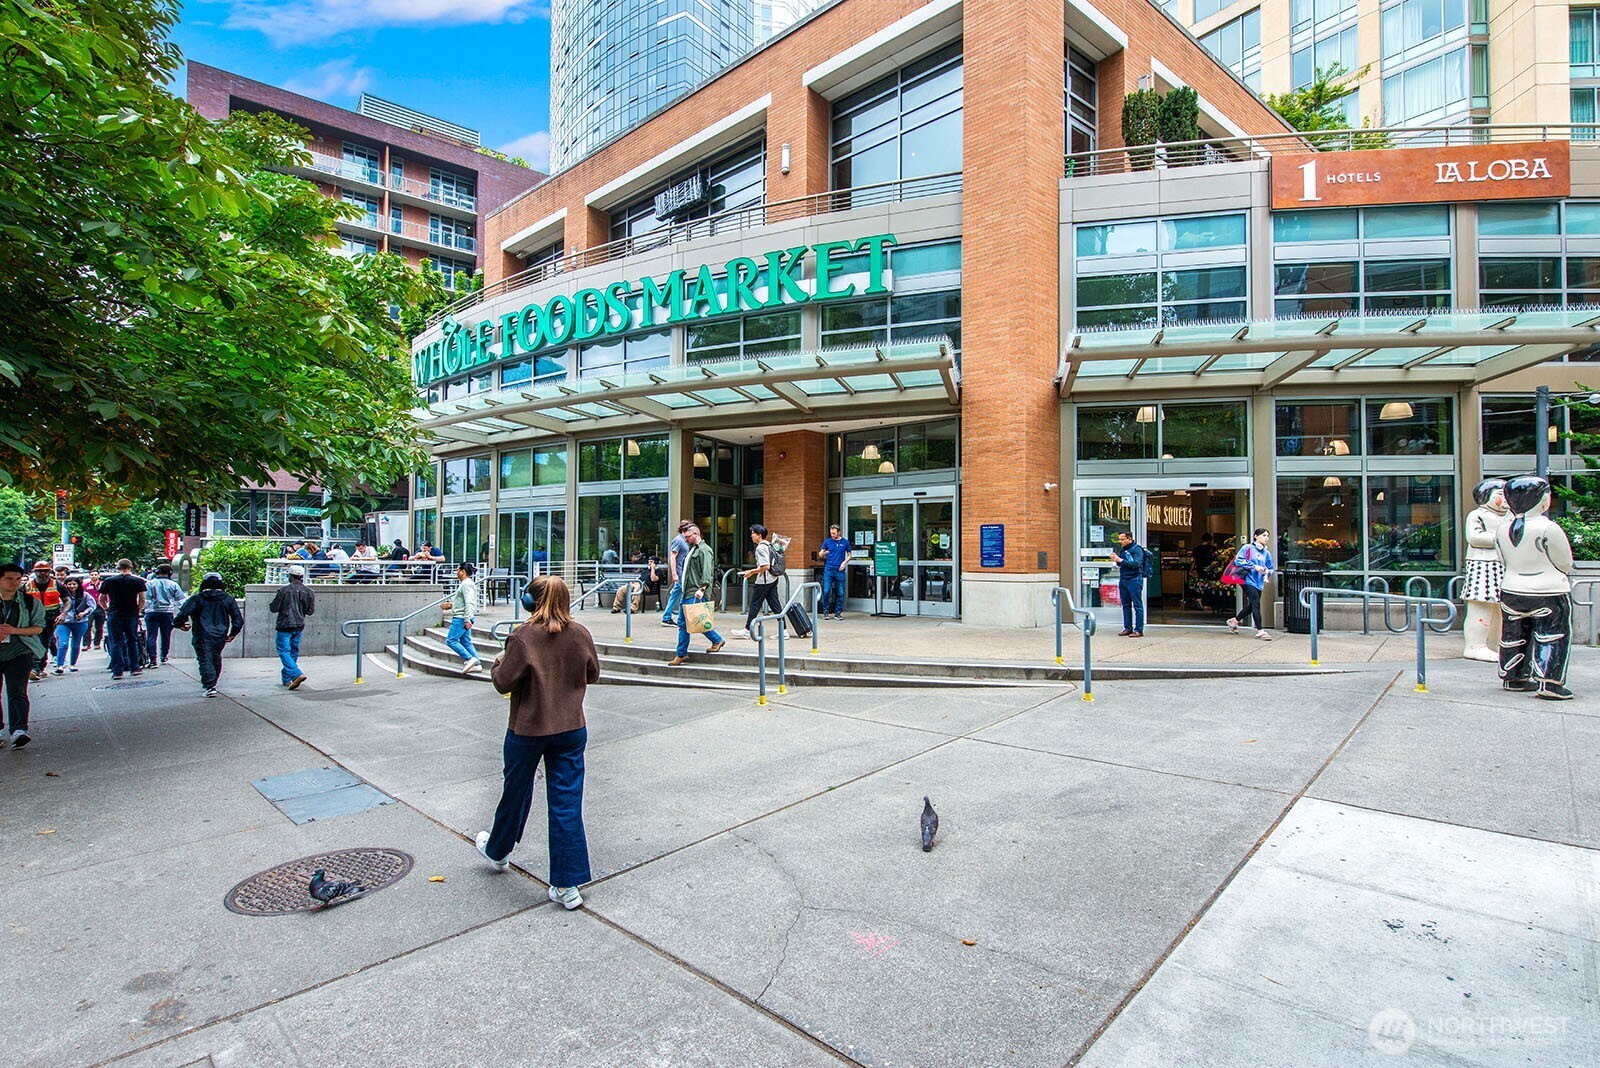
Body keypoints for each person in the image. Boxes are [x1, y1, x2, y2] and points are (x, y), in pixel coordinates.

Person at [479, 576, 600, 910]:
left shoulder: (522, 637)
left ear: (530, 602)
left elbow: (503, 682)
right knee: (567, 802)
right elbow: (593, 674)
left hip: (528, 729)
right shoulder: (580, 634)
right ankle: (567, 884)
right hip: (571, 728)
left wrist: (497, 664)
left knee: (515, 792)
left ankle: (498, 850)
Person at [1497, 474, 1574, 700]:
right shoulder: (1548, 528)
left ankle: (1513, 676)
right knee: (1552, 635)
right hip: (1548, 590)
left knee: (1513, 634)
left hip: (1511, 589)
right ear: (1541, 499)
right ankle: (1549, 682)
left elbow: (1503, 560)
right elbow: (1564, 562)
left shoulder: (1502, 529)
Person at [1462, 478, 1510, 663]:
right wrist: (1502, 537)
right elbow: (1474, 537)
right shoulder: (1477, 515)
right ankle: (1475, 645)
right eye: (1500, 495)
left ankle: (1497, 644)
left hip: (1503, 565)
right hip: (1482, 565)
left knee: (1500, 610)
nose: (1505, 499)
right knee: (1481, 607)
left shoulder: (1510, 516)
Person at [175, 572, 244, 698]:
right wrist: (233, 633)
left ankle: (209, 686)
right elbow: (238, 620)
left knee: (205, 659)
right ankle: (212, 683)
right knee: (216, 657)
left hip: (201, 633)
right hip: (220, 635)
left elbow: (183, 613)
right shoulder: (228, 599)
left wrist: (180, 624)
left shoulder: (197, 598)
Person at [0, 563, 47, 748]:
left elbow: (38, 627)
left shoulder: (29, 602)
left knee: (17, 692)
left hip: (20, 652)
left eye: (18, 579)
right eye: (9, 579)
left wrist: (14, 630)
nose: (14, 583)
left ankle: (19, 730)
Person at [669, 524, 726, 666]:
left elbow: (707, 571)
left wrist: (702, 588)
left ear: (695, 534)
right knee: (685, 622)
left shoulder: (704, 550)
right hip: (688, 591)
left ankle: (716, 640)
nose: (686, 539)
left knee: (696, 620)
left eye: (687, 536)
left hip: (695, 591)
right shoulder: (693, 549)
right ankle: (681, 653)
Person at [98, 558, 147, 679]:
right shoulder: (138, 581)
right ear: (131, 567)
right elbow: (142, 599)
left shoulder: (109, 581)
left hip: (114, 614)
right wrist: (138, 611)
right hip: (131, 614)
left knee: (115, 642)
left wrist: (106, 609)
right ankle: (134, 667)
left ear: (118, 568)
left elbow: (101, 599)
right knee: (132, 641)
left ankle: (117, 671)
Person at [268, 563, 315, 689]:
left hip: (284, 625)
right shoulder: (309, 592)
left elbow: (274, 608)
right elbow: (310, 611)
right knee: (293, 651)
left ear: (290, 576)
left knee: (284, 651)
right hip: (299, 624)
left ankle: (296, 674)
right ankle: (287, 678)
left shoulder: (284, 591)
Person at [1226, 527, 1275, 640]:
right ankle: (1260, 631)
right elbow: (1238, 560)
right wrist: (1254, 566)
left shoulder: (1266, 553)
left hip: (1259, 581)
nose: (1266, 538)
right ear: (1256, 536)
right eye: (1263, 535)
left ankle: (1234, 621)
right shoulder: (1247, 548)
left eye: (1267, 536)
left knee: (1252, 605)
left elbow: (1270, 567)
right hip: (1247, 579)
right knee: (1256, 604)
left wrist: (1267, 571)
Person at [736, 524, 782, 639]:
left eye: (753, 533)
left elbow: (765, 566)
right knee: (775, 606)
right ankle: (784, 630)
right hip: (773, 579)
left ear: (759, 535)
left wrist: (751, 572)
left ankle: (747, 630)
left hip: (764, 581)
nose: (751, 536)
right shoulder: (769, 545)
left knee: (754, 605)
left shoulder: (760, 548)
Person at [25, 562, 64, 680]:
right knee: (36, 642)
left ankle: (39, 667)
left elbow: (67, 600)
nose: (43, 573)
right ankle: (35, 668)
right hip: (32, 620)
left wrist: (63, 614)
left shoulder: (57, 585)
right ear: (35, 572)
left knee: (45, 642)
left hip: (50, 619)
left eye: (46, 571)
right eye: (40, 571)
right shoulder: (27, 586)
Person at [443, 562, 483, 673]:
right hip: (464, 616)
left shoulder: (466, 584)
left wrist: (467, 619)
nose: (456, 572)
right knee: (466, 642)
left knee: (451, 640)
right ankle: (477, 664)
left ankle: (470, 658)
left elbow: (469, 602)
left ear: (463, 571)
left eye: (458, 570)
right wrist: (453, 605)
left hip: (461, 618)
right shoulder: (467, 583)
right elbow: (466, 602)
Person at [143, 563, 185, 667]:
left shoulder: (150, 584)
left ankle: (153, 659)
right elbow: (181, 601)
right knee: (166, 635)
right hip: (167, 612)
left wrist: (143, 609)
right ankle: (164, 656)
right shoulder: (173, 585)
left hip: (152, 612)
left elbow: (146, 600)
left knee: (151, 636)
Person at [1109, 532, 1148, 638]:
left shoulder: (1137, 549)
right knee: (1126, 605)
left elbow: (1136, 564)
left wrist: (1120, 560)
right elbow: (1122, 563)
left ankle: (1139, 630)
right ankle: (1128, 628)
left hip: (1134, 579)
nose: (1120, 542)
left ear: (1129, 539)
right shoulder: (1123, 549)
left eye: (1122, 539)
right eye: (1119, 540)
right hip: (1124, 579)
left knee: (1137, 605)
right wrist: (1116, 560)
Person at [52, 576, 93, 674]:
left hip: (80, 622)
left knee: (76, 644)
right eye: (69, 584)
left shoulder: (85, 595)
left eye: (74, 584)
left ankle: (72, 664)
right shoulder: (60, 596)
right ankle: (60, 665)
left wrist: (84, 613)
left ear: (78, 585)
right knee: (63, 643)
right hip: (64, 623)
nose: (72, 586)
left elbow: (92, 606)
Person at [816, 523, 851, 621]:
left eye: (834, 533)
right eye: (831, 533)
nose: (832, 535)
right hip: (829, 570)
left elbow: (849, 555)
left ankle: (838, 613)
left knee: (840, 592)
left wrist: (844, 563)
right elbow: (820, 555)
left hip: (840, 570)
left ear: (839, 532)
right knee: (826, 591)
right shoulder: (827, 542)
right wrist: (822, 553)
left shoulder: (845, 542)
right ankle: (825, 611)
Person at [661, 520, 691, 627]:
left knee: (675, 594)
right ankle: (680, 617)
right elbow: (672, 557)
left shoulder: (684, 540)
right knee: (685, 593)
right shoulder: (678, 540)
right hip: (679, 572)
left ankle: (667, 617)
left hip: (681, 571)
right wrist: (674, 574)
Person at [82, 571, 104, 650]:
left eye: (95, 574)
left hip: (100, 607)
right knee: (87, 626)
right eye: (92, 575)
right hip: (89, 607)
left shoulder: (103, 584)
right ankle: (86, 644)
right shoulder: (85, 586)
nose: (94, 576)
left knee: (99, 626)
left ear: (99, 575)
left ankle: (97, 643)